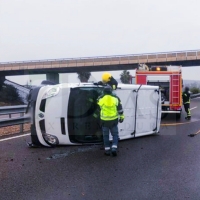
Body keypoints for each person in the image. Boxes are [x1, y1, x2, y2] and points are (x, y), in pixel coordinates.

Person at [93, 85, 125, 156]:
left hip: (104, 121)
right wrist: (122, 117)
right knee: (115, 135)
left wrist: (94, 117)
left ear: (104, 91)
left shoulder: (100, 99)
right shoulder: (116, 99)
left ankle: (107, 151)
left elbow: (98, 109)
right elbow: (120, 110)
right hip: (113, 121)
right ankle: (114, 148)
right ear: (111, 91)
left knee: (106, 136)